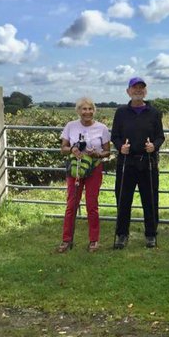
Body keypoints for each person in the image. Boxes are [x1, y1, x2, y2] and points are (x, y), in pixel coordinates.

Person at [109, 76, 164, 248]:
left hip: (148, 161)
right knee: (123, 200)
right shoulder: (120, 112)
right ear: (128, 91)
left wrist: (153, 146)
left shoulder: (154, 113)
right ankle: (122, 234)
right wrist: (120, 147)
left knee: (150, 199)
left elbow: (160, 136)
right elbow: (115, 136)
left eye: (141, 88)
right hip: (126, 162)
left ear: (145, 91)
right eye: (135, 88)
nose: (138, 90)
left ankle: (151, 234)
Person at [57, 97, 111, 253]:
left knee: (91, 205)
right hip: (75, 169)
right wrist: (73, 148)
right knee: (71, 204)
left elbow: (108, 152)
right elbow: (63, 148)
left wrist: (97, 154)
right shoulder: (70, 126)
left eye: (90, 109)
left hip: (94, 168)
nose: (87, 112)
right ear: (78, 111)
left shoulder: (102, 128)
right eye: (84, 109)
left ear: (94, 110)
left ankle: (94, 240)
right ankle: (66, 239)